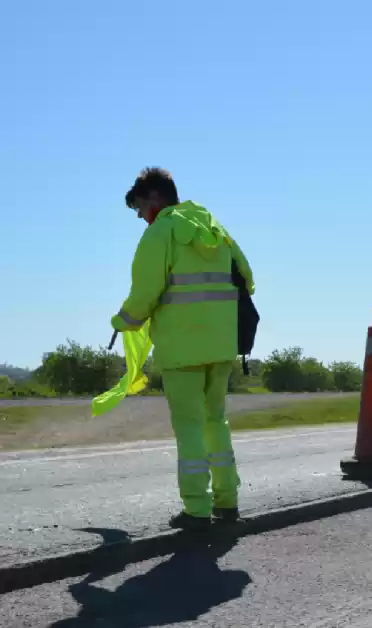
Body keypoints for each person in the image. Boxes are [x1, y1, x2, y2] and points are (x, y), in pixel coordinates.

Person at [113, 167, 254, 530]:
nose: (141, 216)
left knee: (189, 426)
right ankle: (227, 502)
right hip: (222, 345)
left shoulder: (162, 232)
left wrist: (123, 322)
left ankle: (196, 509)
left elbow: (145, 292)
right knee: (215, 422)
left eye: (140, 207)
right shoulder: (215, 228)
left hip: (181, 348)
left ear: (155, 198)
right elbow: (247, 279)